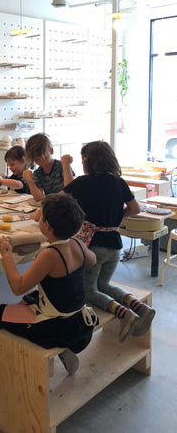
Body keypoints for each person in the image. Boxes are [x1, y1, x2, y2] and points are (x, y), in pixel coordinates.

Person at [0, 193, 98, 375]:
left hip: (60, 328)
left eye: (40, 217)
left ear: (46, 225)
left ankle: (38, 364)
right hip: (80, 320)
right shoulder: (77, 243)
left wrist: (7, 255)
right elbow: (93, 260)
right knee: (31, 296)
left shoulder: (49, 255)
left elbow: (18, 287)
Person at [63, 140, 155, 342]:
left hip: (93, 248)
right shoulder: (118, 182)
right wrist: (114, 218)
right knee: (104, 284)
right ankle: (142, 309)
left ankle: (126, 315)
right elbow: (135, 209)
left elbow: (60, 200)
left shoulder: (83, 182)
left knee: (89, 291)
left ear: (87, 161)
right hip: (115, 246)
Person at [23, 133, 74, 201]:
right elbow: (39, 198)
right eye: (37, 160)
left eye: (45, 158)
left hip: (67, 204)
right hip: (52, 205)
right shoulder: (37, 173)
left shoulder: (62, 166)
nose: (42, 162)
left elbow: (71, 190)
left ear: (51, 151)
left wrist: (66, 166)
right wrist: (29, 179)